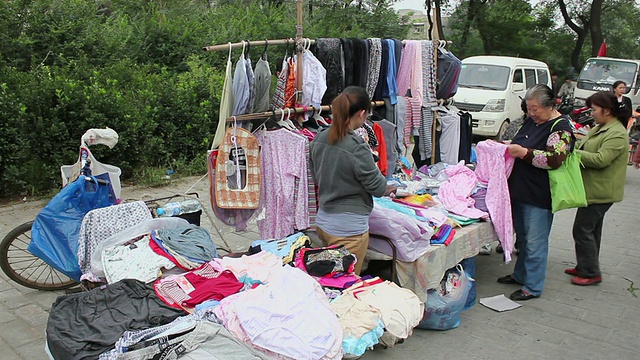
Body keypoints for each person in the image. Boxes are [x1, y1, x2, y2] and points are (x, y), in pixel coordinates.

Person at [497, 84, 575, 301]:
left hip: (538, 195)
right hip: (520, 190)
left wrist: (523, 153)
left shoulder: (561, 128)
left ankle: (532, 287)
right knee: (523, 238)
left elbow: (554, 159)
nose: (531, 114)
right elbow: (520, 142)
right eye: (529, 109)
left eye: (535, 109)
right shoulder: (532, 121)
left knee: (535, 243)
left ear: (551, 106)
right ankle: (520, 275)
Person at [309, 86, 397, 275]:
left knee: (330, 279)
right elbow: (376, 186)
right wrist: (390, 188)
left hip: (324, 222)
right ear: (362, 113)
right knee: (345, 284)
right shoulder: (356, 147)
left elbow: (318, 175)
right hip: (347, 228)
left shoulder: (318, 139)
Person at [566, 91, 629, 285]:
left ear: (607, 111)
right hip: (593, 188)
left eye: (594, 109)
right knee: (592, 230)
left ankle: (591, 273)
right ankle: (586, 264)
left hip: (601, 191)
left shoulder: (616, 133)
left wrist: (573, 154)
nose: (591, 113)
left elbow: (602, 159)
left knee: (582, 229)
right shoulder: (602, 127)